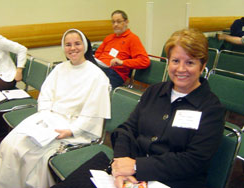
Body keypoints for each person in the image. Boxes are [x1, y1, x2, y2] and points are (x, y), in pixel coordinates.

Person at [50, 28, 225, 188]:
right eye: (175, 61)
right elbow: (127, 129)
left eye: (190, 63)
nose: (181, 69)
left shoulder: (211, 108)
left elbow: (194, 161)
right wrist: (121, 163)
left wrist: (135, 167)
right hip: (129, 169)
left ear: (203, 66)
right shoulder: (155, 92)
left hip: (173, 180)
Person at [0, 29, 111, 188]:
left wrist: (71, 131)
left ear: (85, 45)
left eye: (77, 43)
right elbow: (46, 95)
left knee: (32, 157)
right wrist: (44, 115)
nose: (73, 48)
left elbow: (94, 113)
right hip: (48, 119)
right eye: (68, 44)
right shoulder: (60, 68)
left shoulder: (97, 76)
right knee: (9, 144)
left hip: (75, 127)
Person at [95, 10, 150, 89]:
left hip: (115, 73)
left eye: (118, 22)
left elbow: (144, 61)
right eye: (113, 22)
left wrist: (122, 62)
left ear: (126, 22)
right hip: (100, 69)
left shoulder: (133, 39)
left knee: (92, 86)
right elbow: (97, 55)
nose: (115, 25)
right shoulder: (109, 38)